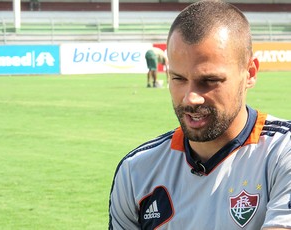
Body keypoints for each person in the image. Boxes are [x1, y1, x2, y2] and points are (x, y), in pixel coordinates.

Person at [109, 1, 291, 229]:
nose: (190, 98)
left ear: (250, 73)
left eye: (210, 80)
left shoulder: (282, 152)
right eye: (178, 79)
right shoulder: (136, 171)